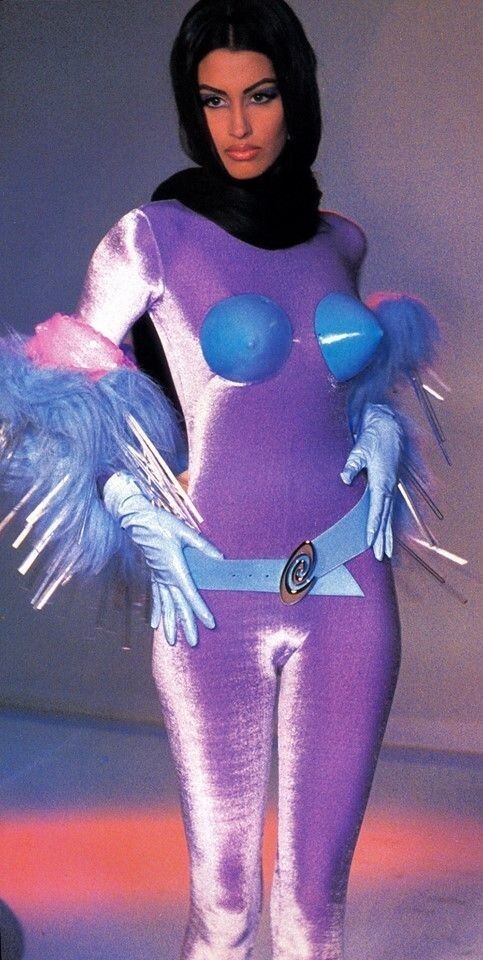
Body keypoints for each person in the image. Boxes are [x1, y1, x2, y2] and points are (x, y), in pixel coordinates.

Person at [0, 1, 439, 957]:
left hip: (348, 586)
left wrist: (377, 423)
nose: (237, 126)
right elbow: (61, 400)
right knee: (225, 907)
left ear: (296, 98)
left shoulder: (340, 241)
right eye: (212, 100)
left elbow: (335, 382)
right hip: (210, 601)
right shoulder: (150, 239)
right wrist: (129, 504)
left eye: (259, 95)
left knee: (315, 909)